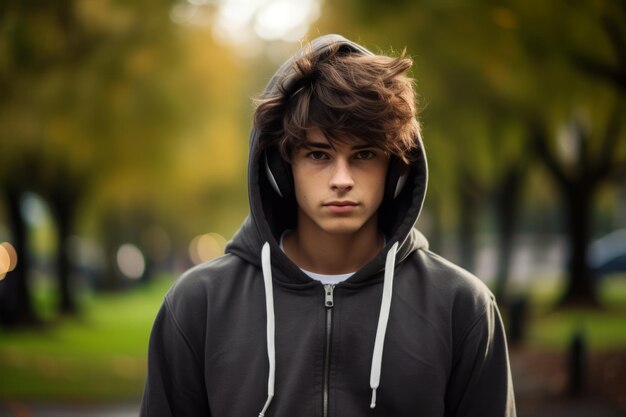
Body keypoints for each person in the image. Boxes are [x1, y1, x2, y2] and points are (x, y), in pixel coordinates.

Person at [140, 34, 516, 417]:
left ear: (396, 166)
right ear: (282, 168)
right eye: (318, 154)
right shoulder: (198, 304)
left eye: (364, 154)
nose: (341, 179)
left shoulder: (461, 306)